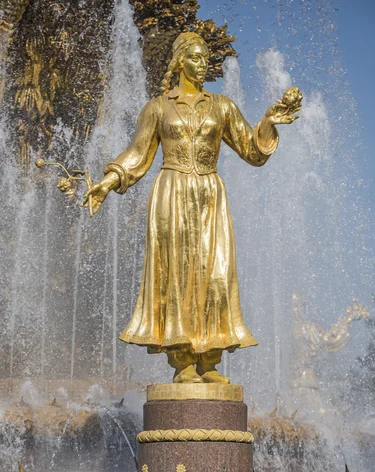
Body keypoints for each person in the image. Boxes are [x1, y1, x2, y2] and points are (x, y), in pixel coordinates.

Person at [82, 32, 300, 384]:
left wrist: (268, 123)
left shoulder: (222, 106)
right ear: (180, 61)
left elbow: (251, 150)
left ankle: (209, 360)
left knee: (216, 275)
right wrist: (107, 182)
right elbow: (138, 153)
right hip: (171, 192)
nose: (203, 65)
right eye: (196, 58)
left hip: (210, 195)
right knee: (176, 273)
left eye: (206, 58)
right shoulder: (158, 107)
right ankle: (182, 360)